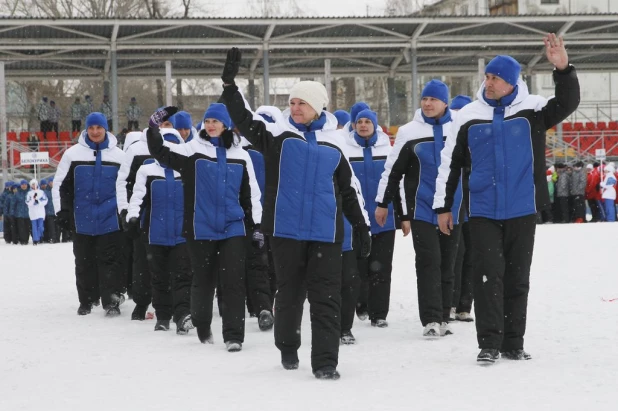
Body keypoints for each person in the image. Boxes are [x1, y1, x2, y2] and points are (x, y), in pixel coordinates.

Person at [220, 48, 371, 380]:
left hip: (325, 234)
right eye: (291, 102)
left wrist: (361, 226)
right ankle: (288, 346)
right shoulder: (277, 137)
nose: (295, 107)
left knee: (326, 298)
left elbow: (349, 190)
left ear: (317, 106)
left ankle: (325, 362)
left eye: (301, 102)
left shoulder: (336, 144)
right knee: (289, 295)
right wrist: (231, 86)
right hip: (286, 231)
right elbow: (245, 120)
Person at [433, 34, 580, 363]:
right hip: (483, 211)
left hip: (522, 208)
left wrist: (563, 69)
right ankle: (489, 342)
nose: (488, 82)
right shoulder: (468, 115)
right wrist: (444, 206)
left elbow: (568, 102)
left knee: (517, 278)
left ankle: (513, 342)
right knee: (487, 276)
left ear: (511, 82)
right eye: (486, 77)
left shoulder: (534, 111)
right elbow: (449, 163)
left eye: (495, 78)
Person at [146, 103, 262, 352]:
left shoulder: (241, 155)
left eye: (215, 122)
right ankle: (202, 325)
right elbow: (160, 151)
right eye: (207, 121)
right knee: (203, 280)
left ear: (226, 125)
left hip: (233, 227)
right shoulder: (192, 151)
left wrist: (257, 225)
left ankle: (234, 336)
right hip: (200, 227)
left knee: (233, 282)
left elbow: (251, 193)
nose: (210, 125)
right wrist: (153, 127)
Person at [376, 79, 462, 339]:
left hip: (453, 208)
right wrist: (383, 203)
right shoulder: (409, 132)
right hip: (421, 208)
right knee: (428, 262)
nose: (427, 104)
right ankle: (431, 319)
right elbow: (393, 171)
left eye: (433, 99)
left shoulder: (459, 127)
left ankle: (445, 316)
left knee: (448, 264)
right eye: (424, 99)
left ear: (445, 102)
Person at [52, 112, 127, 316]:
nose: (95, 132)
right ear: (86, 129)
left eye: (99, 128)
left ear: (106, 129)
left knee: (110, 261)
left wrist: (124, 212)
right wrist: (62, 211)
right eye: (91, 128)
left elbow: (126, 186)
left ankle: (111, 301)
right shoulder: (72, 154)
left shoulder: (119, 156)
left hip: (110, 218)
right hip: (82, 218)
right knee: (84, 261)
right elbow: (60, 185)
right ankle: (87, 299)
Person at [126, 128, 193, 333]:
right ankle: (163, 316)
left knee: (183, 277)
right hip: (155, 234)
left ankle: (182, 315)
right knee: (159, 277)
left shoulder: (188, 170)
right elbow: (138, 196)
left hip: (182, 235)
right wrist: (133, 215)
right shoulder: (147, 171)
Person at [347, 108, 408, 331]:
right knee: (358, 268)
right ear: (353, 125)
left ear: (375, 125)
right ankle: (361, 304)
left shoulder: (388, 150)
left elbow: (398, 184)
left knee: (381, 269)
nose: (363, 125)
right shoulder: (346, 150)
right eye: (359, 122)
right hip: (356, 221)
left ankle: (379, 313)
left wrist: (403, 216)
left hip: (385, 220)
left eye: (367, 122)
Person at [25, 179, 48, 245]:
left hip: (40, 212)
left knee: (40, 227)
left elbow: (45, 201)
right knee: (34, 227)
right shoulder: (29, 193)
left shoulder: (41, 192)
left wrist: (39, 201)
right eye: (32, 184)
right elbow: (28, 202)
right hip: (33, 213)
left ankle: (40, 236)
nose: (34, 186)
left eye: (35, 184)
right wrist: (33, 199)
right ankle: (35, 239)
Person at [14, 180, 31, 245]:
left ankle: (26, 239)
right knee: (21, 228)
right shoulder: (17, 193)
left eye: (25, 184)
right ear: (20, 185)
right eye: (22, 184)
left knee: (27, 227)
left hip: (28, 214)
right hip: (19, 214)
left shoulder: (30, 193)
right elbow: (14, 204)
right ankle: (22, 240)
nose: (24, 186)